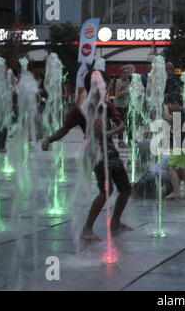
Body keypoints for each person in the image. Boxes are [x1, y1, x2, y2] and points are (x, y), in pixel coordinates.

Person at [41, 70, 132, 241]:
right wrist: (49, 140)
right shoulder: (80, 110)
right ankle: (87, 229)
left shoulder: (108, 105)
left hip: (110, 150)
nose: (105, 87)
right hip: (94, 152)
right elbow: (64, 129)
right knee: (107, 190)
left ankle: (116, 222)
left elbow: (122, 126)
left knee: (126, 189)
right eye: (102, 84)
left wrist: (109, 133)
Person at [163, 93, 185, 200]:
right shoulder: (183, 111)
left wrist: (164, 108)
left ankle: (176, 191)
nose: (170, 108)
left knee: (170, 166)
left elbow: (167, 118)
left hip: (183, 145)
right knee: (183, 171)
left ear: (176, 103)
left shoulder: (179, 111)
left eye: (170, 106)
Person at [114, 64, 134, 147]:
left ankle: (129, 139)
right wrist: (126, 91)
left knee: (129, 123)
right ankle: (120, 141)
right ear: (121, 73)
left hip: (126, 105)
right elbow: (117, 94)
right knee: (121, 123)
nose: (126, 74)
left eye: (128, 72)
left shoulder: (129, 81)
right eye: (124, 72)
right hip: (119, 105)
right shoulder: (119, 81)